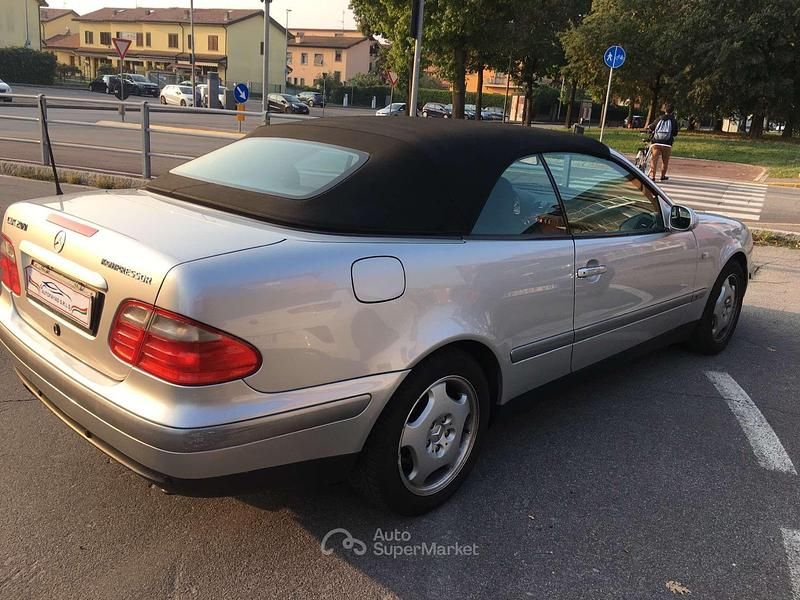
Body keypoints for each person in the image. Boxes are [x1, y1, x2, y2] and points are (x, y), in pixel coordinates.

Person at [647, 104, 678, 182]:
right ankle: (662, 176)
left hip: (656, 142)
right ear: (673, 111)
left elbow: (651, 127)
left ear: (665, 110)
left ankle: (652, 176)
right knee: (665, 161)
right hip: (667, 143)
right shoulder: (673, 120)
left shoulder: (659, 118)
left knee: (654, 159)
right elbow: (675, 133)